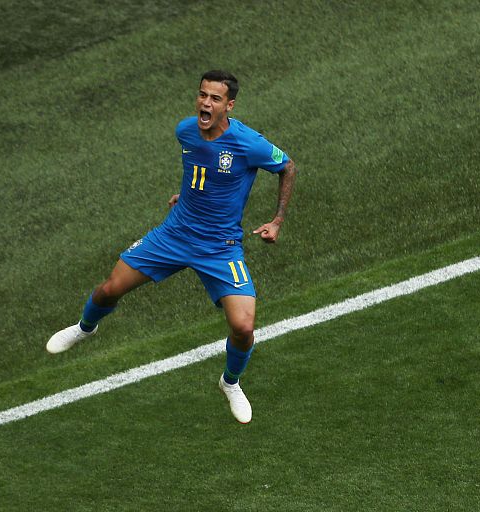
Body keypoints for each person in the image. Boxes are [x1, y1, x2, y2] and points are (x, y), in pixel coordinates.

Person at [47, 70, 298, 424]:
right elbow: (200, 170)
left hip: (220, 248)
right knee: (108, 289)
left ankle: (230, 382)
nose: (205, 103)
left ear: (230, 105)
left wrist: (276, 221)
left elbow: (287, 166)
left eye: (214, 98)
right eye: (202, 95)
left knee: (243, 327)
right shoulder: (185, 131)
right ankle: (85, 328)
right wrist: (188, 196)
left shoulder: (247, 143)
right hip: (174, 234)